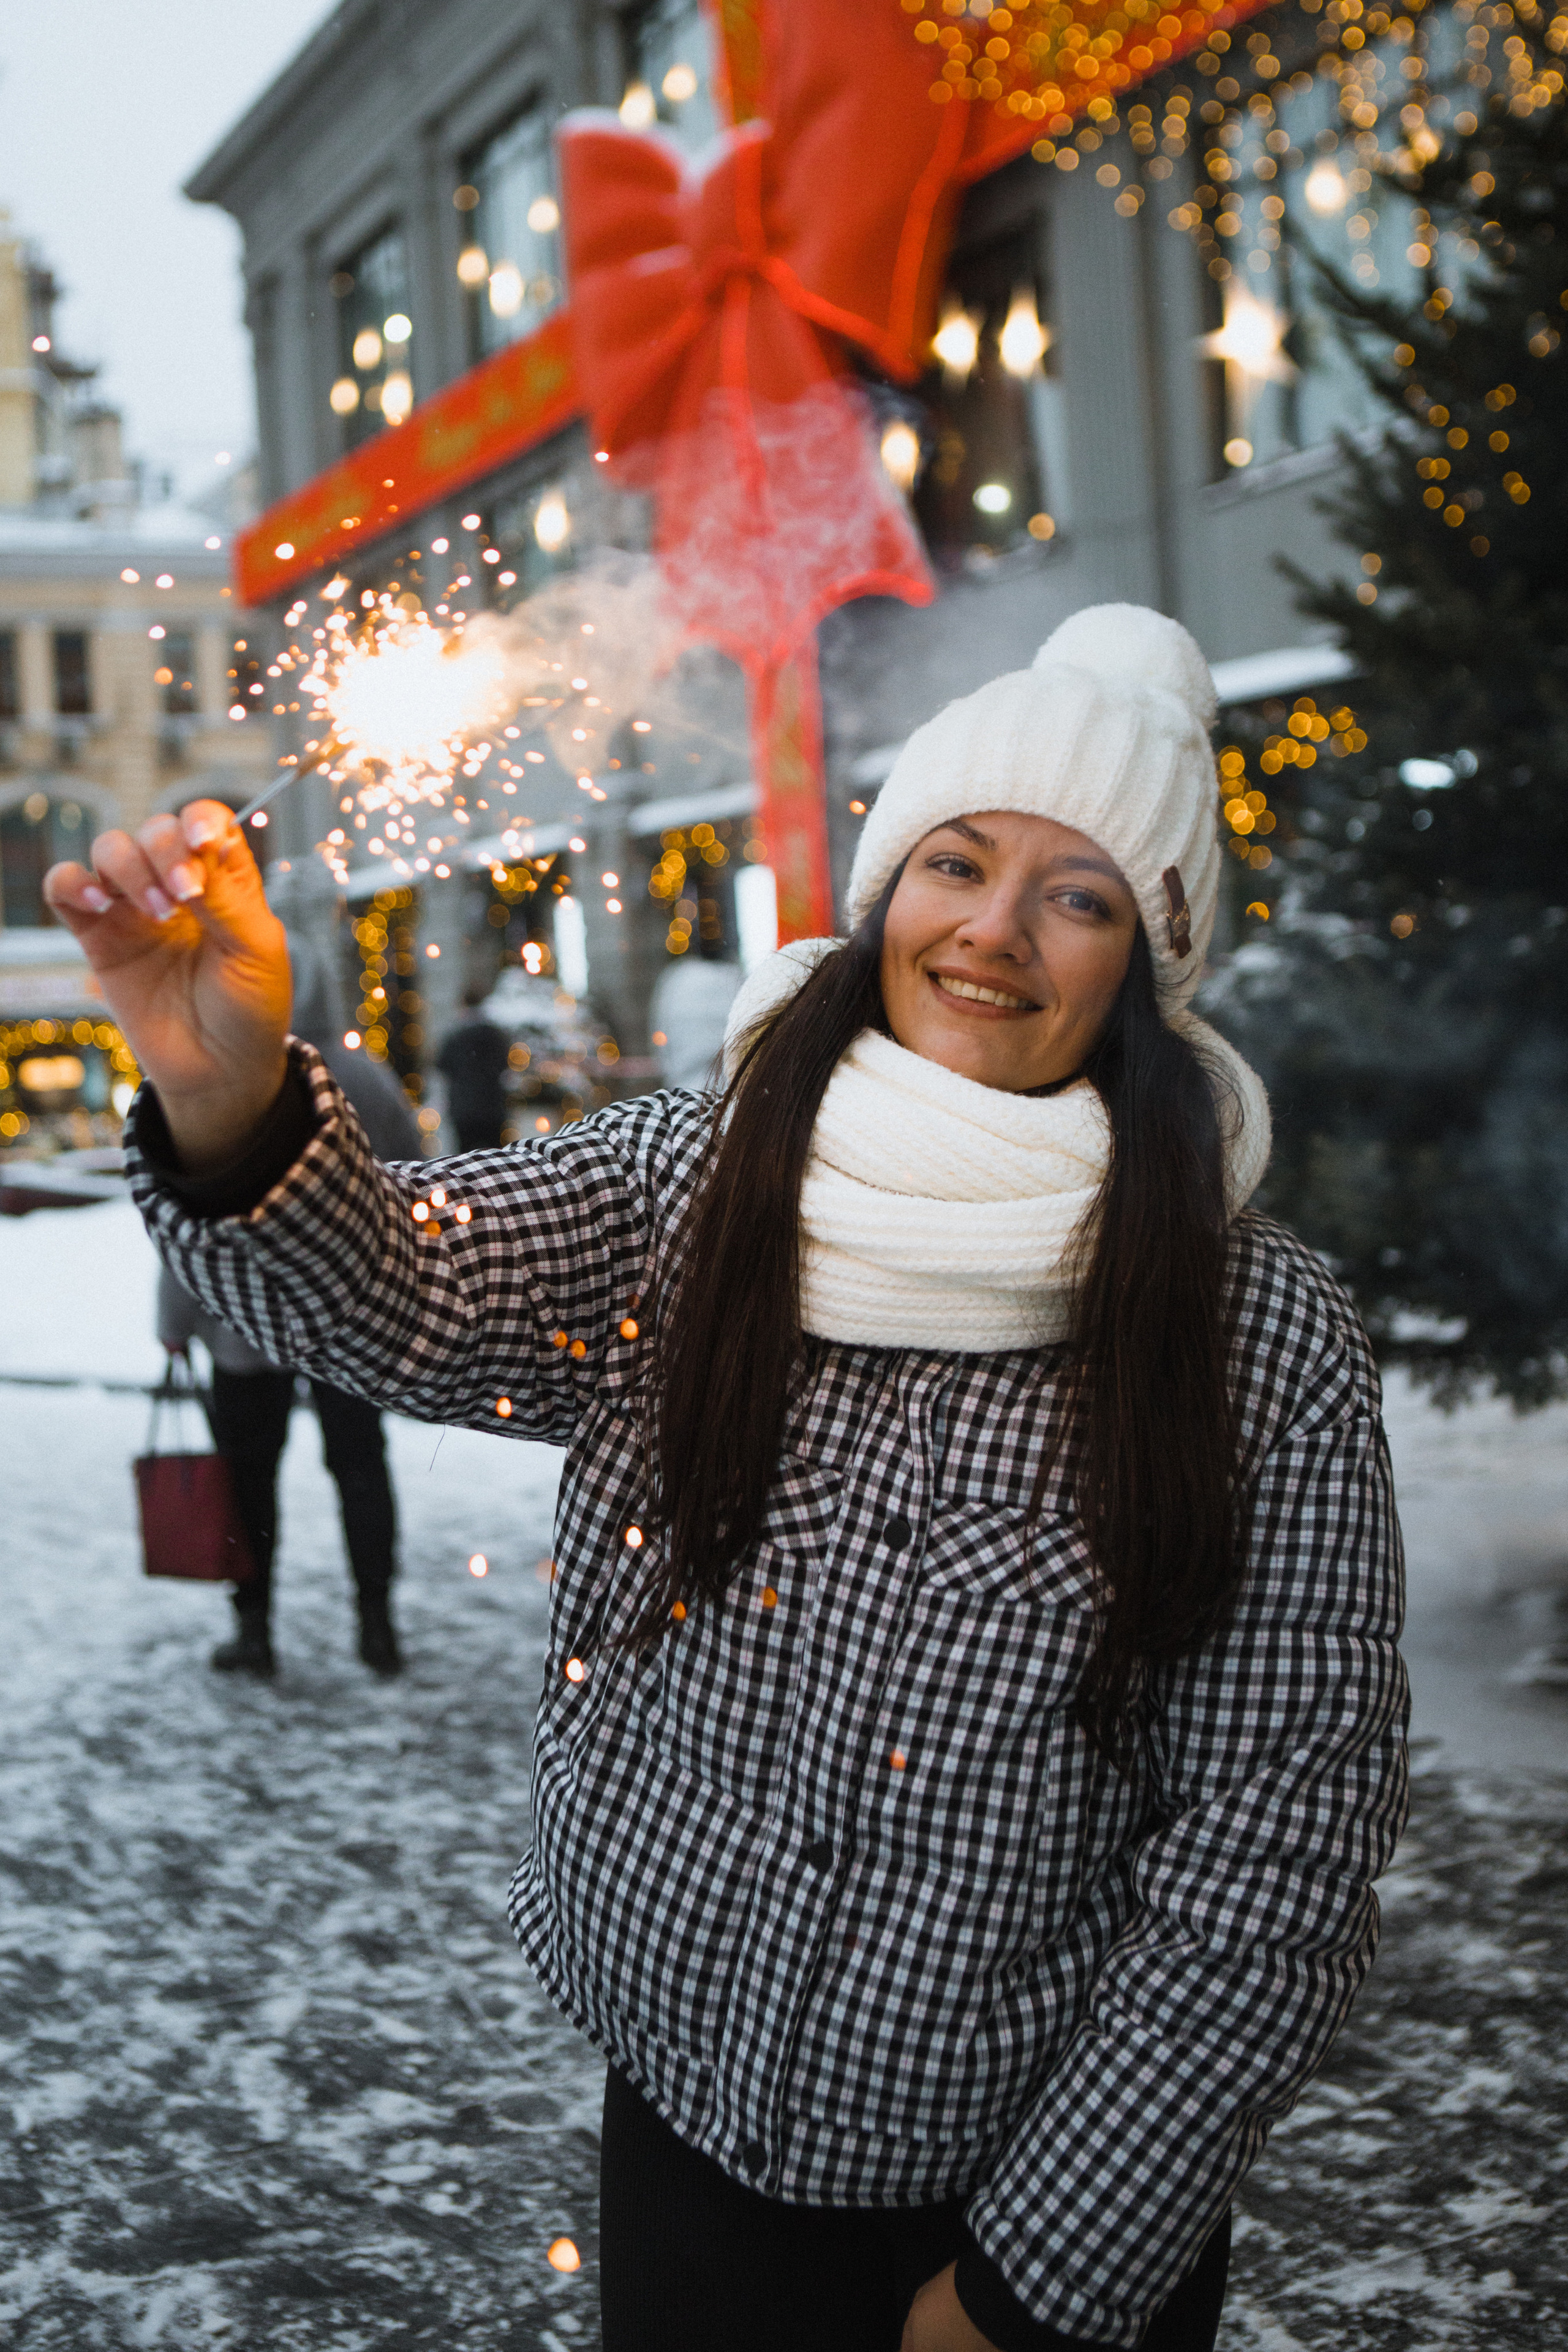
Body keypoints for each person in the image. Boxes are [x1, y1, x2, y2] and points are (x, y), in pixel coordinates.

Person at [47, 605, 1408, 2352]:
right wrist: (230, 1112)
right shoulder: (692, 1185)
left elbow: (1274, 1853)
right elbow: (403, 1295)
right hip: (688, 2153)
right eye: (956, 862)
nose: (992, 930)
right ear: (884, 888)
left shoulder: (1248, 1328)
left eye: (1077, 898)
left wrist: (1025, 2289)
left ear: (1145, 967)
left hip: (1016, 2208)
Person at [153, 932, 423, 1681]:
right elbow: (418, 1185)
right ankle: (377, 1623)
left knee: (248, 1481)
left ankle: (254, 1630)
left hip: (241, 1321)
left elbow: (186, 1218)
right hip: (351, 1319)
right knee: (360, 1467)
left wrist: (175, 1319)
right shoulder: (363, 1080)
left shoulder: (218, 1085)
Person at [436, 982, 514, 1149]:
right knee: (495, 1155)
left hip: (463, 1109)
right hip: (492, 1107)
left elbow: (442, 1066)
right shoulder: (495, 1035)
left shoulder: (454, 1036)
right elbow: (505, 1064)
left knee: (465, 1156)